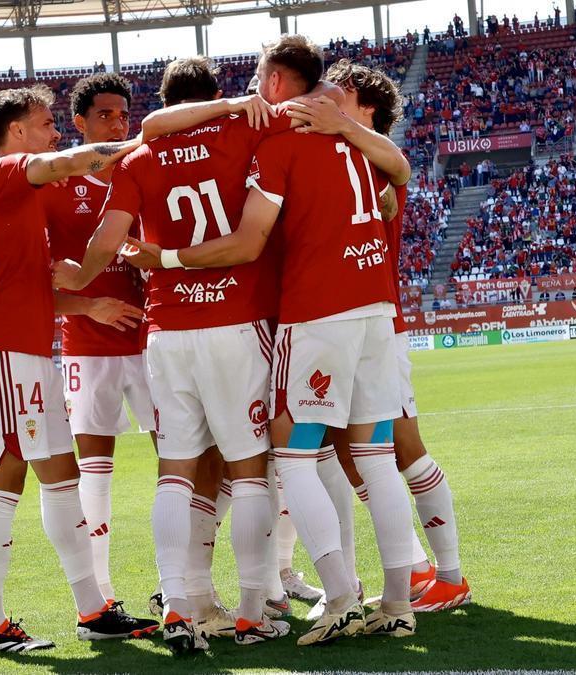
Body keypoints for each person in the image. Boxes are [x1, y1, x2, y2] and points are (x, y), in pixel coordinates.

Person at [118, 35, 415, 645]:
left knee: (289, 454)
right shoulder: (353, 136)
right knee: (375, 459)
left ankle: (336, 598)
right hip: (375, 312)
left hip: (311, 313)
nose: (254, 88)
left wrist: (164, 257)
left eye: (258, 76)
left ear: (276, 80)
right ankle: (397, 599)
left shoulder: (281, 133)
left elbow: (249, 240)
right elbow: (401, 169)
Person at [53, 56, 292, 653]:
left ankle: (180, 606)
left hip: (167, 330)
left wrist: (81, 276)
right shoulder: (245, 128)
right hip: (234, 321)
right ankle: (251, 608)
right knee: (248, 468)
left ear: (163, 102)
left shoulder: (139, 157)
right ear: (213, 95)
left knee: (175, 471)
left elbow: (109, 237)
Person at [0, 83, 157, 653]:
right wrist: (145, 140)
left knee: (64, 481)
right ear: (18, 134)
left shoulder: (15, 197)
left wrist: (88, 303)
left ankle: (92, 609)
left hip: (25, 352)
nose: (55, 132)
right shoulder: (4, 171)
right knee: (3, 486)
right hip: (0, 353)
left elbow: (30, 284)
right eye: (46, 123)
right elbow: (70, 159)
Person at [311, 60, 470, 613]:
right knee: (345, 448)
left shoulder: (373, 155)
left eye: (333, 90)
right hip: (344, 324)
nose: (322, 98)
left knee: (402, 446)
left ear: (358, 99)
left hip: (379, 325)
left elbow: (394, 177)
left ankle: (449, 573)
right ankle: (421, 568)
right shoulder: (342, 152)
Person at [41, 73, 157, 608]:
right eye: (105, 115)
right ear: (79, 123)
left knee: (183, 459)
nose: (118, 123)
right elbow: (33, 276)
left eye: (123, 115)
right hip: (88, 348)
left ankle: (177, 587)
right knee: (95, 471)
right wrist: (89, 304)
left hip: (156, 340)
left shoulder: (145, 169)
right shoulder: (56, 184)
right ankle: (101, 593)